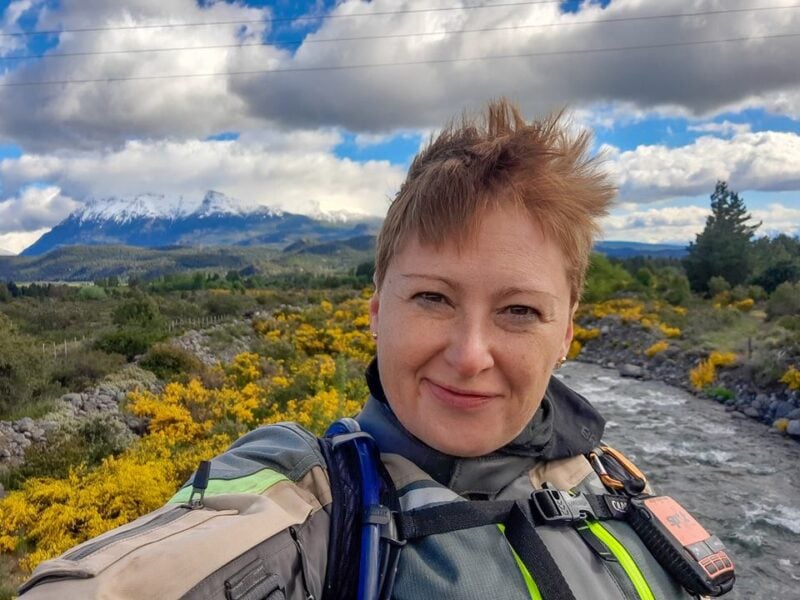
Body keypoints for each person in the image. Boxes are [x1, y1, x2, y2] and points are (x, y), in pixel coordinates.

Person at [19, 100, 731, 599]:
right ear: (376, 311)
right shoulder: (314, 513)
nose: (470, 355)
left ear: (567, 331)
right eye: (433, 299)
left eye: (519, 311)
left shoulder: (614, 487)